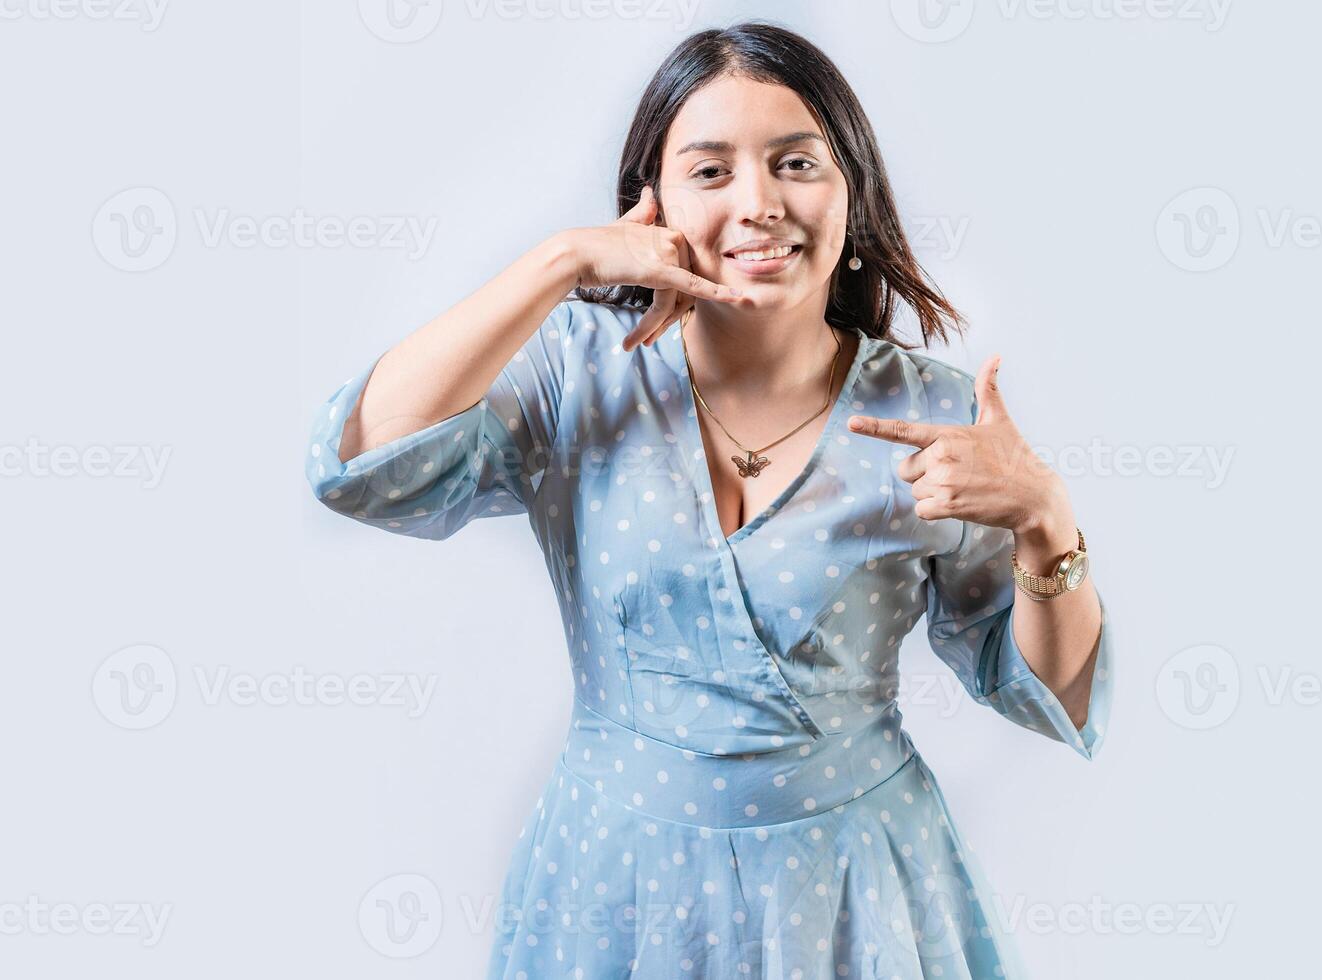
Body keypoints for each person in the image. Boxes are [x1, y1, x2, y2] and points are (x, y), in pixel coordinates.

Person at [304, 21, 1113, 980]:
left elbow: (1048, 695)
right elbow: (358, 463)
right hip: (613, 886)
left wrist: (1043, 521)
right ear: (649, 205)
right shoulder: (577, 373)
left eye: (795, 163)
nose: (758, 204)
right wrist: (561, 260)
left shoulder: (934, 411)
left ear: (852, 192)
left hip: (854, 894)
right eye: (710, 170)